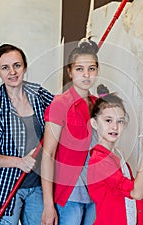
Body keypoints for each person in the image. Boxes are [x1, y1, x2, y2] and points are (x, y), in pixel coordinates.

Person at [0, 44, 54, 225]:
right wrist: (18, 162)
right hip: (5, 188)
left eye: (17, 65)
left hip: (38, 186)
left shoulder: (39, 95)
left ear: (25, 67)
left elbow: (62, 109)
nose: (12, 72)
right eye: (5, 67)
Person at [87, 84, 143, 225]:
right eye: (108, 120)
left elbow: (123, 187)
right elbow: (136, 193)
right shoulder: (99, 160)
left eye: (120, 121)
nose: (115, 127)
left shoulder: (117, 153)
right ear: (94, 123)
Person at [41, 38, 99, 225]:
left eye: (91, 68)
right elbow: (48, 155)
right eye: (79, 69)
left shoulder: (100, 106)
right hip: (70, 194)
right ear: (70, 72)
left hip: (96, 192)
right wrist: (48, 205)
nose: (86, 75)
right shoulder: (60, 104)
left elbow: (106, 151)